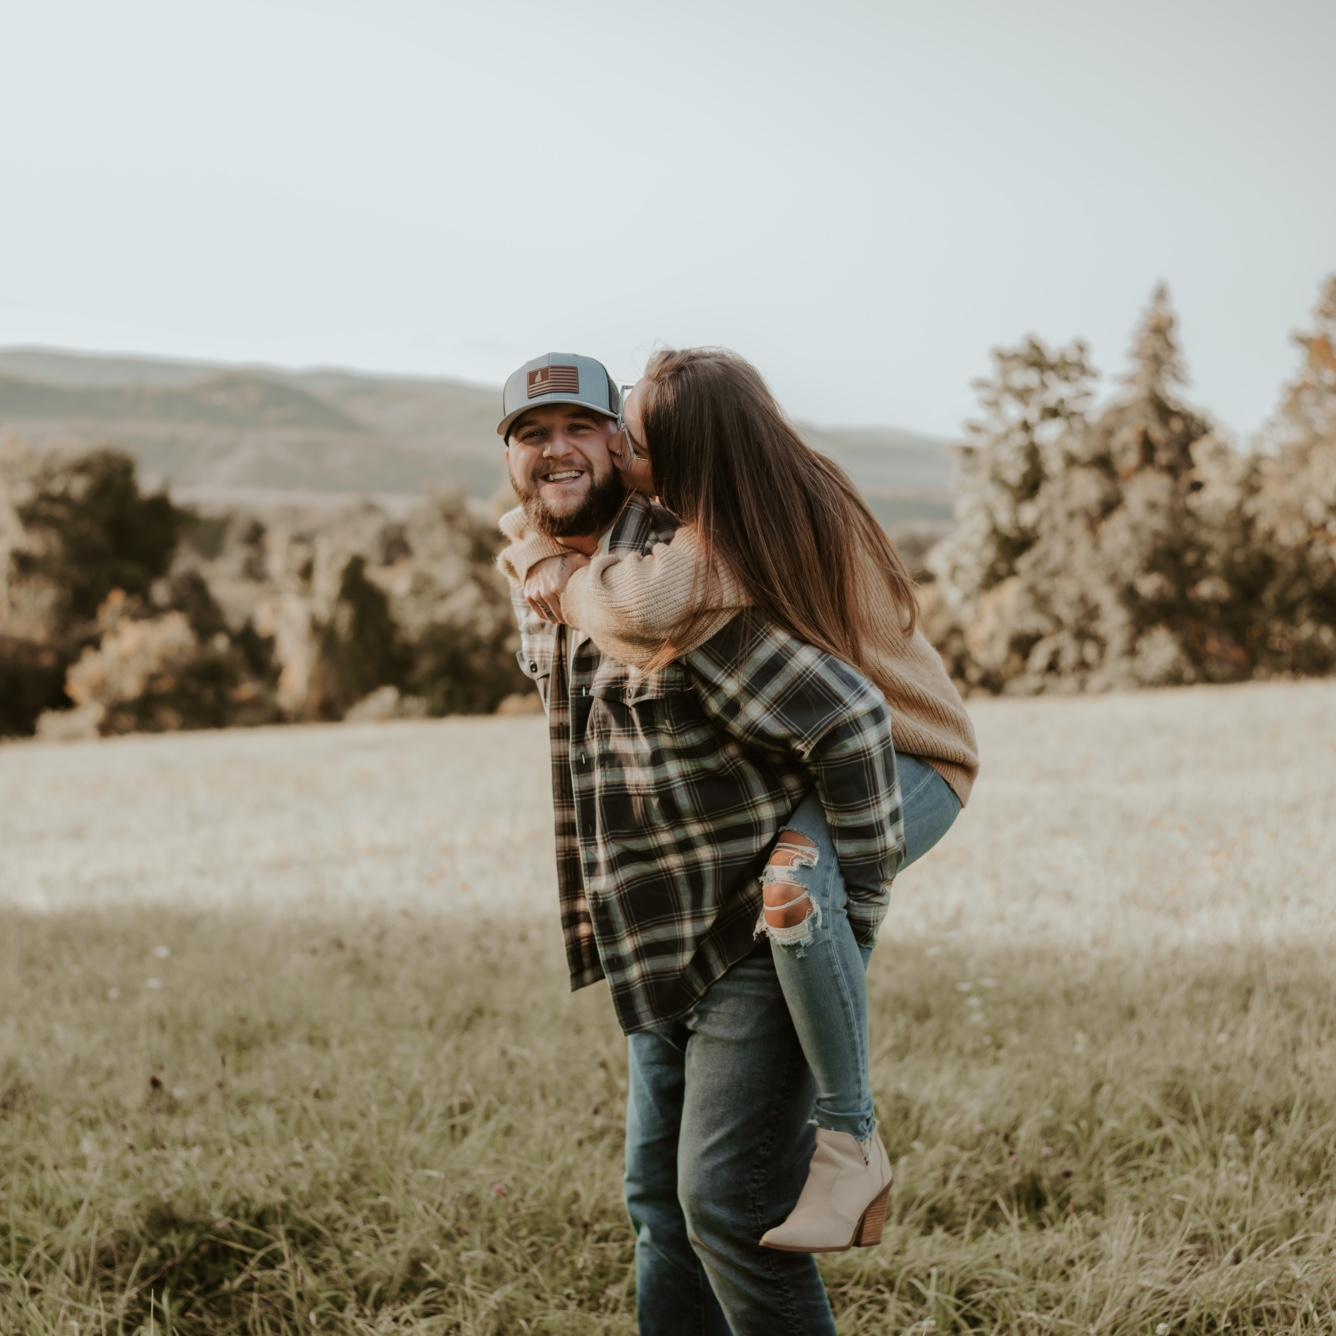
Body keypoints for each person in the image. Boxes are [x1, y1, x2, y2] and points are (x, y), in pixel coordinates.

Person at [498, 347, 979, 1255]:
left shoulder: (739, 531)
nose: (622, 456)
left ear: (693, 454)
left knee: (798, 890)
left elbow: (637, 607)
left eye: (633, 443)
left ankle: (852, 1145)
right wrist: (536, 550)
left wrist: (548, 568)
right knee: (796, 892)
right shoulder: (734, 502)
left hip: (913, 755)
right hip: (849, 754)